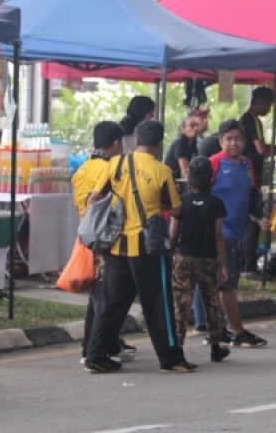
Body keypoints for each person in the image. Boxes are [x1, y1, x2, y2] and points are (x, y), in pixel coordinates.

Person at [85, 120, 190, 374]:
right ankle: (170, 358)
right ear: (159, 143)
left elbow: (94, 197)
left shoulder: (116, 163)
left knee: (111, 303)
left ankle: (95, 356)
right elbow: (176, 209)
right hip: (148, 248)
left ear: (135, 141)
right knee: (158, 304)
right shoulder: (162, 171)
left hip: (116, 246)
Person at [71, 121, 133, 365]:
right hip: (108, 239)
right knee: (106, 296)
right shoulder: (110, 170)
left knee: (99, 295)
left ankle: (100, 344)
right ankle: (97, 348)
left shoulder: (82, 170)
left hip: (87, 237)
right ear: (116, 143)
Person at [208, 119, 269, 348]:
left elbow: (250, 196)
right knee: (226, 283)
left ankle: (218, 330)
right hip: (219, 234)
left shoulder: (247, 165)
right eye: (229, 139)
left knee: (220, 283)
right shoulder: (212, 164)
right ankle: (238, 332)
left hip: (237, 231)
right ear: (221, 141)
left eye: (238, 139)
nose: (234, 143)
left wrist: (257, 216)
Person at [170, 156, 231, 364]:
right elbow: (218, 237)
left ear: (190, 177)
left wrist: (171, 256)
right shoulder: (216, 204)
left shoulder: (181, 202)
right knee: (211, 303)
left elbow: (173, 234)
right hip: (206, 259)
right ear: (210, 177)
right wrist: (223, 264)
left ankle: (178, 348)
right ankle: (215, 347)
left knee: (181, 304)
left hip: (183, 258)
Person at [239, 87, 276, 276]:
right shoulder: (251, 119)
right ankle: (248, 265)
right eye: (269, 104)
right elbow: (262, 150)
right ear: (261, 101)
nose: (269, 109)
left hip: (247, 174)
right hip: (251, 176)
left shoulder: (247, 119)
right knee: (254, 219)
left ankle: (245, 261)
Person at [163, 115, 200, 180]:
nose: (196, 128)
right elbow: (185, 170)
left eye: (197, 125)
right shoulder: (180, 142)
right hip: (171, 181)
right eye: (192, 126)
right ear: (182, 129)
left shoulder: (192, 143)